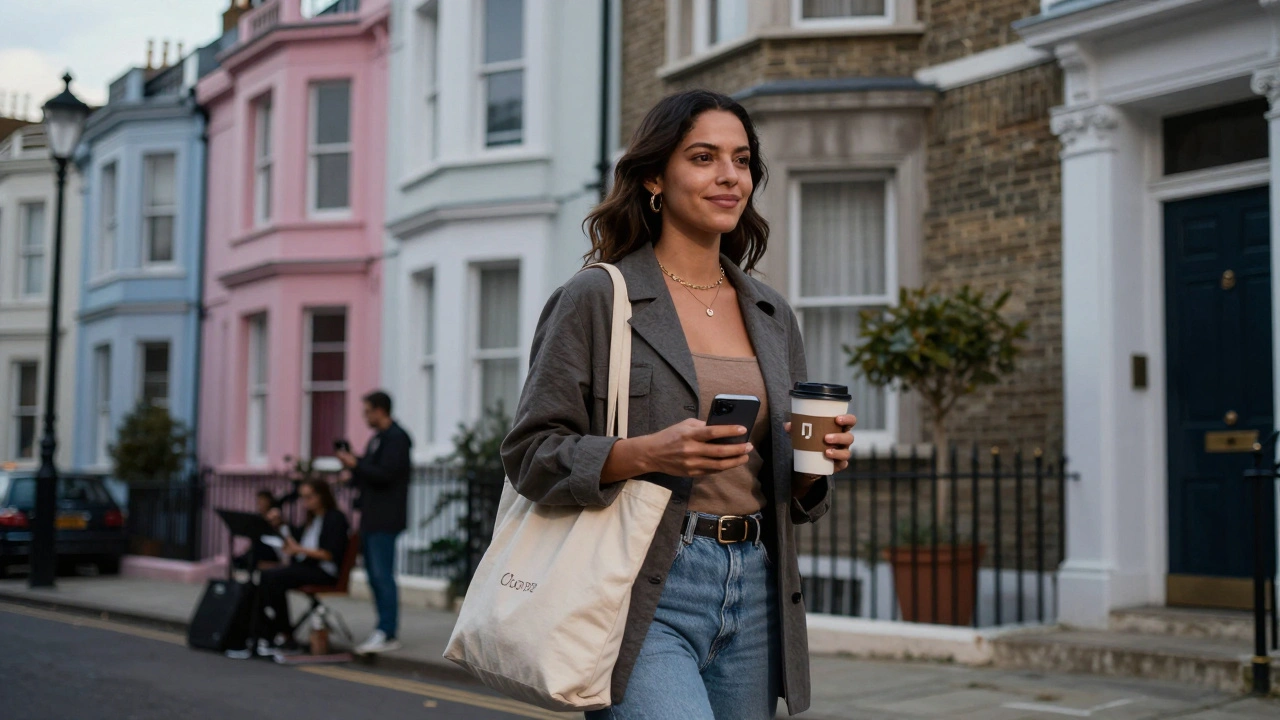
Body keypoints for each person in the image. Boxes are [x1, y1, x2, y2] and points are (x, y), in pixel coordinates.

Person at [501, 90, 856, 719]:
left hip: (757, 585)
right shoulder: (597, 298)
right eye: (703, 157)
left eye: (742, 160)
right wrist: (643, 453)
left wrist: (814, 466)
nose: (729, 176)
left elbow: (789, 494)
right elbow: (530, 455)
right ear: (654, 180)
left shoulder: (773, 315)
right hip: (643, 584)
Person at [336, 390, 412, 654]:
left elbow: (385, 475)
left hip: (386, 518)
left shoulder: (397, 439)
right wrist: (352, 472)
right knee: (373, 576)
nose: (365, 416)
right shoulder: (377, 440)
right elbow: (368, 474)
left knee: (382, 576)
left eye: (367, 411)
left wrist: (355, 465)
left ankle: (388, 632)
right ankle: (382, 628)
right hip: (370, 517)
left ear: (380, 410)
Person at [256, 479, 349, 651]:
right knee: (268, 576)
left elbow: (329, 554)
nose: (306, 502)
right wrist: (281, 525)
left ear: (322, 496)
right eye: (303, 498)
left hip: (324, 571)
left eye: (310, 497)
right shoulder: (312, 520)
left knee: (274, 577)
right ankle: (273, 630)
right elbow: (295, 539)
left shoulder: (334, 518)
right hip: (307, 567)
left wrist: (300, 550)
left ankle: (284, 633)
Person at [232, 490, 283, 571]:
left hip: (273, 547)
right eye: (259, 501)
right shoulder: (259, 516)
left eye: (262, 501)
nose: (260, 504)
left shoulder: (274, 513)